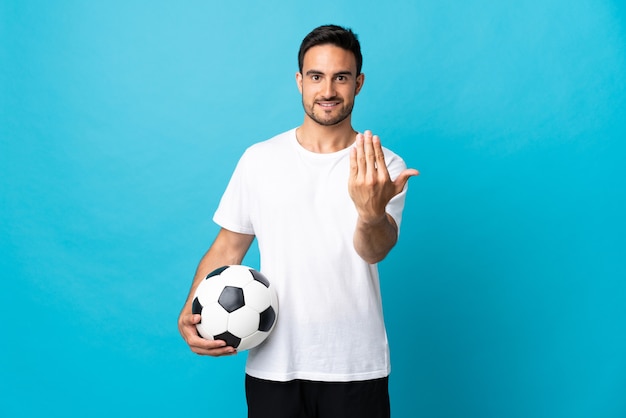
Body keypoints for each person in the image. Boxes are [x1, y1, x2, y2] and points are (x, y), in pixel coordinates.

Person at [178, 24, 419, 418]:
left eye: (340, 77)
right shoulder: (259, 160)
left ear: (358, 84)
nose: (327, 90)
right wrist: (191, 310)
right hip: (274, 367)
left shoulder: (382, 166)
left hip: (356, 369)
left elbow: (374, 250)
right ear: (299, 81)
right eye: (316, 76)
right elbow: (227, 247)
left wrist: (370, 210)